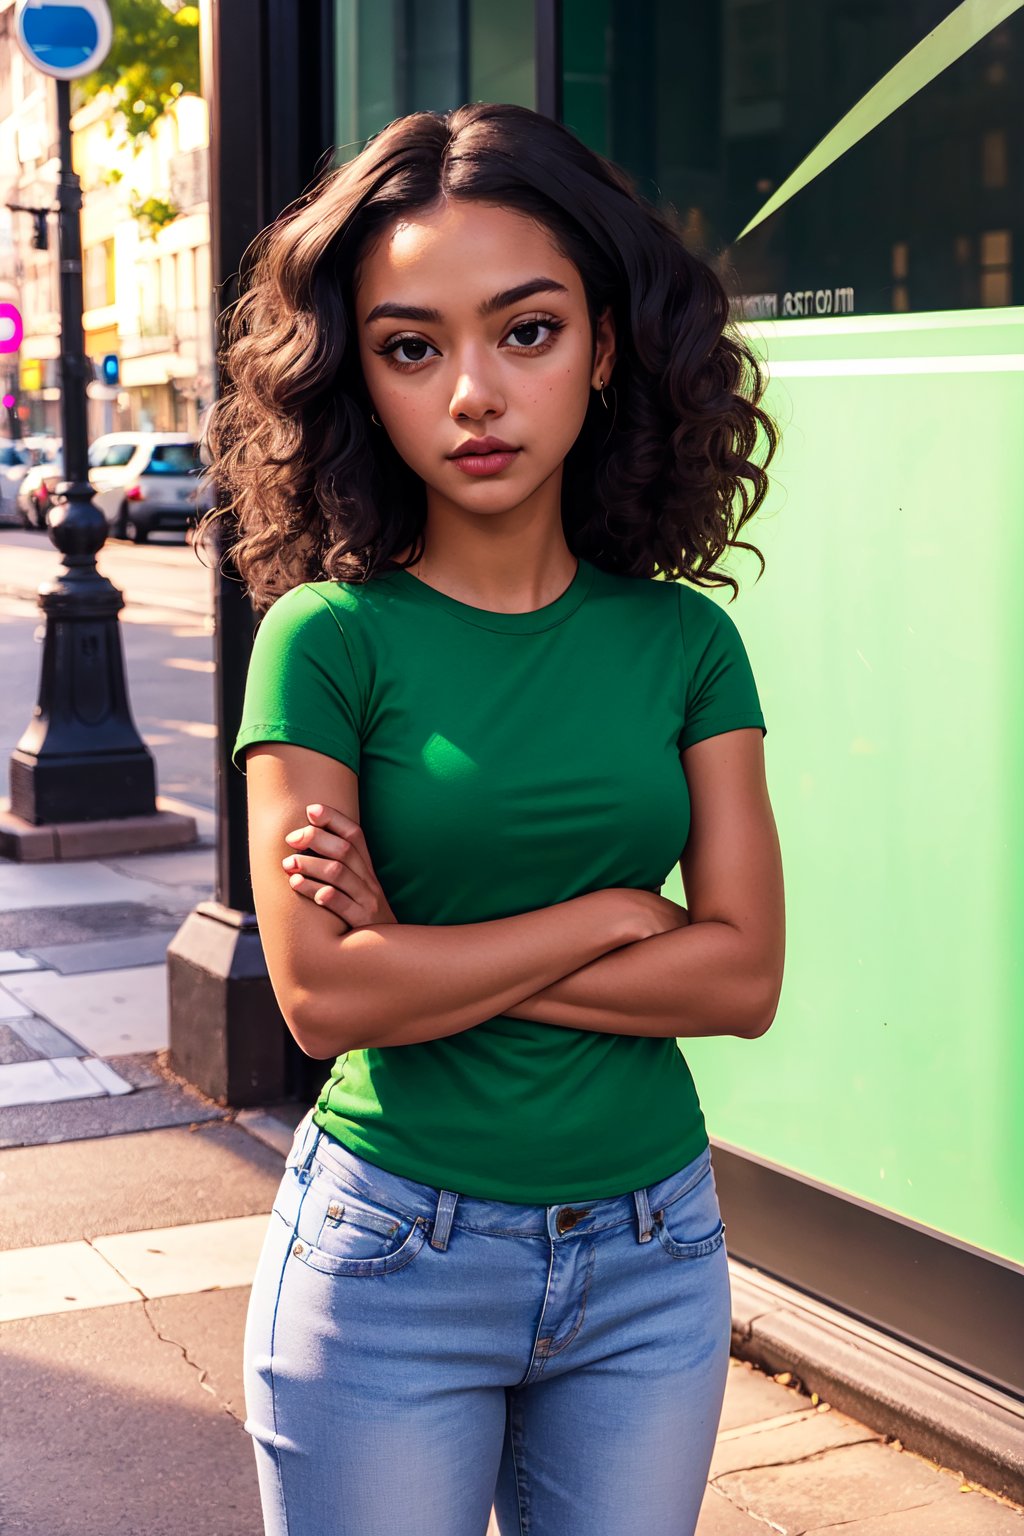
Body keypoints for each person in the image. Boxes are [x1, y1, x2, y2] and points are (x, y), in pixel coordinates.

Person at [200, 100, 785, 1536]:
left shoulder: (685, 646)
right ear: (364, 380)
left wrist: (431, 957)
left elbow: (744, 978)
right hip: (393, 1256)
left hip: (654, 1257)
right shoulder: (325, 642)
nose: (473, 392)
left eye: (524, 331)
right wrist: (608, 916)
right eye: (413, 347)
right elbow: (329, 995)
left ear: (606, 348)